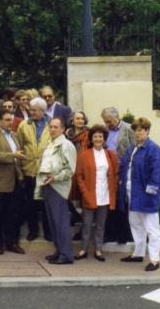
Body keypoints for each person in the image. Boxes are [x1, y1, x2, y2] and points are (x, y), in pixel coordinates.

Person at [118, 117, 160, 272]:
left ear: (147, 131)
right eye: (135, 130)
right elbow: (124, 165)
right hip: (132, 193)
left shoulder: (153, 149)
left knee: (152, 228)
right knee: (135, 223)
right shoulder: (133, 148)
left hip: (146, 195)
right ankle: (138, 253)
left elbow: (157, 173)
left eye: (140, 130)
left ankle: (154, 259)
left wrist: (150, 193)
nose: (137, 133)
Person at [0, 109, 27, 255]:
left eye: (11, 119)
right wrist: (13, 155)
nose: (11, 122)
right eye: (7, 120)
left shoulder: (14, 135)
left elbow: (18, 158)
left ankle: (12, 243)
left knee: (13, 214)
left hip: (15, 181)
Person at [73, 124, 119, 262]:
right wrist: (84, 192)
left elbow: (115, 174)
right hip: (89, 194)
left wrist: (113, 189)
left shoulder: (110, 154)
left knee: (100, 225)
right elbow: (79, 176)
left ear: (104, 139)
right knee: (86, 224)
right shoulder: (84, 154)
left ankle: (98, 250)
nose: (98, 139)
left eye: (101, 136)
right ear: (91, 139)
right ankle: (83, 249)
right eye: (95, 136)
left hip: (105, 195)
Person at [35, 117, 77, 265]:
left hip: (58, 187)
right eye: (51, 127)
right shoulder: (51, 144)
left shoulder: (66, 145)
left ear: (63, 129)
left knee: (60, 221)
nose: (52, 129)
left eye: (56, 127)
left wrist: (55, 178)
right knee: (53, 221)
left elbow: (70, 169)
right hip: (47, 185)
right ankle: (59, 250)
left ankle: (66, 254)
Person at [16, 97, 51, 241]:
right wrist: (20, 169)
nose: (32, 112)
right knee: (31, 203)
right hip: (29, 168)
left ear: (43, 111)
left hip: (46, 170)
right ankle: (33, 230)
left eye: (35, 110)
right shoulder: (24, 125)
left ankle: (49, 232)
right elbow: (19, 146)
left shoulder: (52, 124)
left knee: (46, 203)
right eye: (30, 110)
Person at [101, 107, 135, 244]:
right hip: (108, 170)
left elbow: (134, 148)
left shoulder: (129, 129)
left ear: (117, 117)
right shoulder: (104, 130)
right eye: (105, 121)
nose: (107, 124)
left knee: (122, 202)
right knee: (110, 202)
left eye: (109, 121)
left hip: (122, 170)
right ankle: (110, 233)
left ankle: (123, 234)